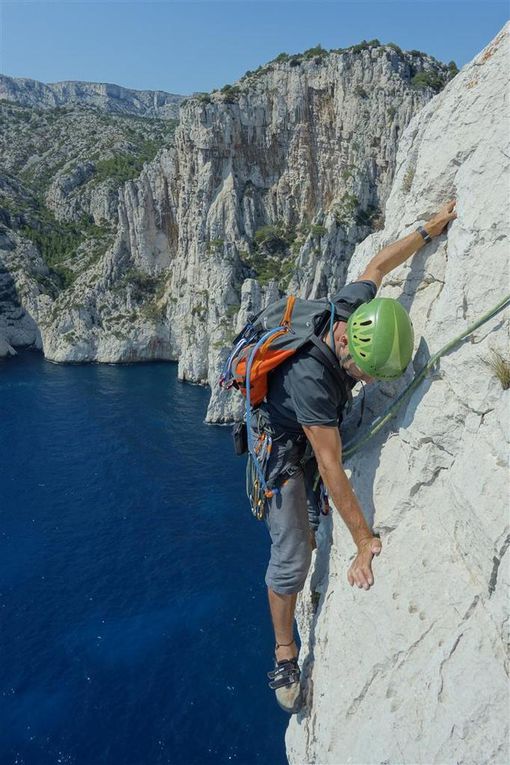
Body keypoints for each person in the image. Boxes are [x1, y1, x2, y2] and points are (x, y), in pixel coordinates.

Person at [256, 200, 457, 713]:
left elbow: (378, 267)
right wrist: (364, 541)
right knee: (293, 551)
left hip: (313, 423)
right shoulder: (312, 378)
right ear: (345, 350)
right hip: (281, 442)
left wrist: (425, 232)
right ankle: (283, 651)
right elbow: (328, 464)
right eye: (364, 375)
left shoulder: (353, 308)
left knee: (323, 482)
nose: (365, 383)